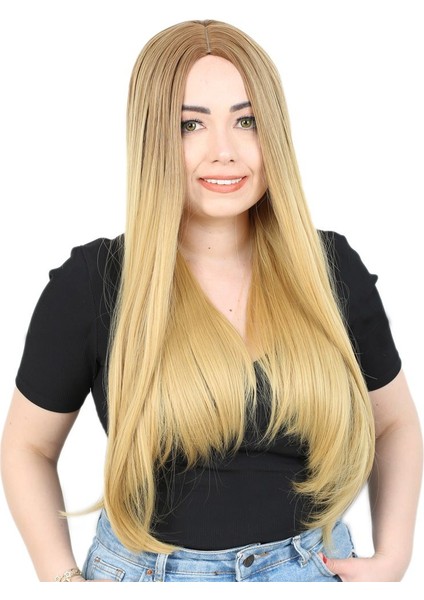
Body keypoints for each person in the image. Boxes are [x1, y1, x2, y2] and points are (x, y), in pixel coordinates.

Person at [1, 19, 422, 583]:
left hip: (311, 571)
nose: (225, 151)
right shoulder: (93, 283)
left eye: (247, 121)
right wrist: (64, 583)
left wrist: (394, 557)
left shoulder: (330, 270)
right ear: (152, 136)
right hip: (145, 577)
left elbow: (393, 424)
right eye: (190, 124)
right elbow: (27, 447)